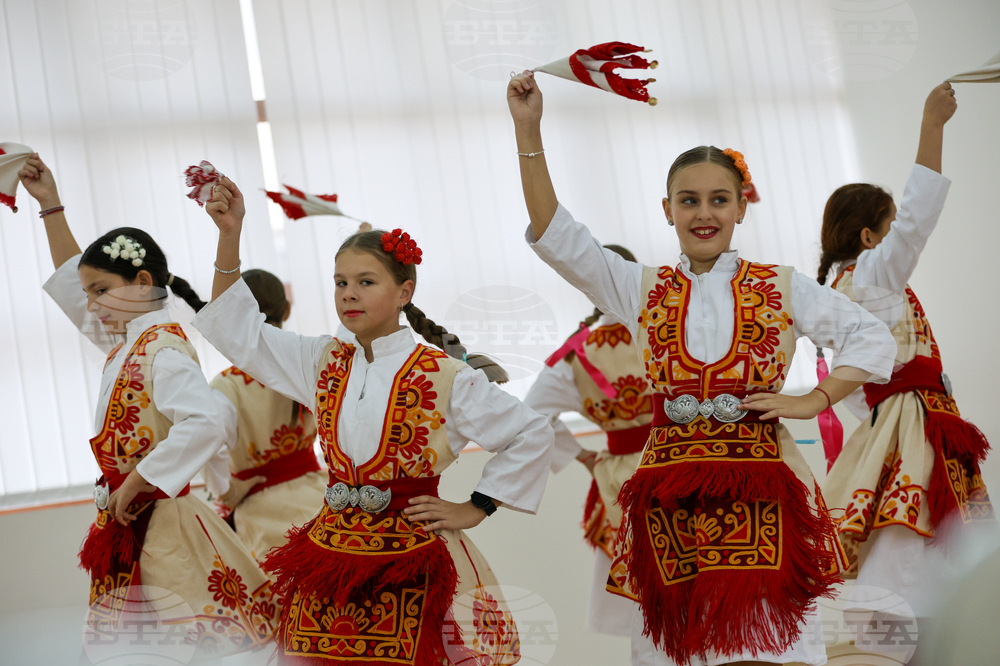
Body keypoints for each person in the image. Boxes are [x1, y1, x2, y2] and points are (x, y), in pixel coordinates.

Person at [507, 70, 897, 666]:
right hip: (670, 496)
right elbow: (559, 237)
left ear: (741, 207)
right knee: (680, 650)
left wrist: (813, 400)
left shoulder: (784, 287)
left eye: (719, 199)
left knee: (776, 644)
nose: (704, 213)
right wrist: (527, 129)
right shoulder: (639, 288)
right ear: (667, 210)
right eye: (689, 200)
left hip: (766, 483)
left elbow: (870, 340)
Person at [192, 175, 554, 664]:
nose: (349, 294)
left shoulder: (443, 375)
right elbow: (236, 330)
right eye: (341, 283)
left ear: (404, 291)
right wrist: (229, 235)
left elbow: (531, 431)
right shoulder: (323, 361)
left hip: (414, 557)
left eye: (366, 282)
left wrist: (475, 506)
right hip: (330, 554)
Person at [18, 154, 276, 659]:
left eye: (101, 291)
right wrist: (51, 206)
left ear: (141, 283)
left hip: (161, 523)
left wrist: (138, 479)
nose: (90, 304)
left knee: (175, 649)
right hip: (136, 519)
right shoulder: (131, 341)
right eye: (91, 293)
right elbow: (76, 286)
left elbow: (205, 420)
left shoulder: (160, 346)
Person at [819, 82, 995, 622]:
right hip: (914, 422)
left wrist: (881, 416)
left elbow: (852, 389)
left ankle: (916, 636)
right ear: (871, 236)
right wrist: (932, 126)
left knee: (909, 535)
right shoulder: (873, 275)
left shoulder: (839, 290)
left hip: (893, 420)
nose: (902, 241)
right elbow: (918, 220)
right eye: (890, 228)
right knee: (916, 536)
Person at [523, 243, 653, 637]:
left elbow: (530, 416)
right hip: (688, 465)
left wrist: (581, 456)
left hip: (620, 480)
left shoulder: (575, 354)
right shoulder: (669, 333)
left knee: (640, 605)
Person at [209, 268, 327, 573]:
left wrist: (227, 491)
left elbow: (204, 445)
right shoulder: (306, 364)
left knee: (279, 610)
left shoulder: (225, 386)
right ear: (287, 309)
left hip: (261, 511)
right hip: (320, 498)